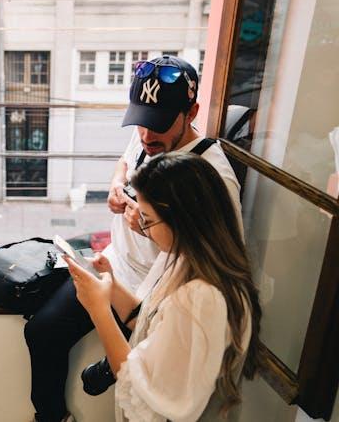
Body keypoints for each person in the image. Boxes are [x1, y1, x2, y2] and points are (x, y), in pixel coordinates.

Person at [23, 55, 242, 422]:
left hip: (156, 293)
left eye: (156, 125)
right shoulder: (149, 135)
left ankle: (117, 360)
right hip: (117, 265)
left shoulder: (213, 176)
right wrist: (115, 185)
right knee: (41, 331)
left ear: (192, 112)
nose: (145, 135)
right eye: (140, 121)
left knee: (137, 395)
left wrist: (148, 228)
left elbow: (216, 256)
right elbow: (127, 160)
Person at [65, 152, 262, 421]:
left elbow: (144, 392)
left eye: (147, 219)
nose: (143, 228)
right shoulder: (183, 258)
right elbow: (149, 320)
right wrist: (108, 283)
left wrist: (98, 310)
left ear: (181, 220)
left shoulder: (202, 297)